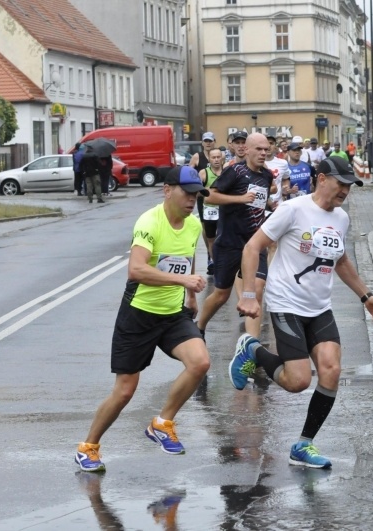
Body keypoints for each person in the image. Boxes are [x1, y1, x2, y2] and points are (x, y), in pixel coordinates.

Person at [232, 156, 373, 468]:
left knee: (331, 371)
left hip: (319, 305)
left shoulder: (341, 218)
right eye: (340, 183)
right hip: (286, 302)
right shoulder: (293, 210)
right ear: (321, 178)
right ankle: (251, 349)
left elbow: (340, 260)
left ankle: (304, 445)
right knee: (297, 381)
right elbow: (252, 247)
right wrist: (250, 295)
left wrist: (366, 296)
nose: (345, 190)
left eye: (350, 185)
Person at [74, 165, 211, 472]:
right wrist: (184, 283)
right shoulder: (149, 222)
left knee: (200, 362)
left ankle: (162, 423)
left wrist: (190, 296)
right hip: (139, 314)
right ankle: (88, 447)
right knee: (124, 390)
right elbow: (136, 270)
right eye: (187, 193)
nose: (192, 200)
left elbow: (185, 259)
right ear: (167, 190)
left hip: (173, 313)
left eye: (197, 195)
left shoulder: (192, 224)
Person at [195, 132, 275, 340]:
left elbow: (259, 201)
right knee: (222, 294)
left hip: (254, 244)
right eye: (259, 149)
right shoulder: (235, 172)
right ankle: (200, 327)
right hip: (229, 243)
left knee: (257, 289)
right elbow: (209, 196)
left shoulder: (266, 176)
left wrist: (271, 206)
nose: (263, 153)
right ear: (246, 150)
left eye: (266, 149)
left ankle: (251, 345)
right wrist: (239, 199)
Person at [192, 131, 217, 275]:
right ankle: (210, 256)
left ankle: (216, 256)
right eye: (205, 141)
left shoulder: (218, 156)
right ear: (202, 143)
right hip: (203, 199)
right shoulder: (197, 157)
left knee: (219, 228)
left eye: (210, 141)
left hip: (217, 199)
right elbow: (190, 173)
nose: (208, 143)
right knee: (205, 228)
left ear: (214, 142)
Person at [199, 148, 224, 277]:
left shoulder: (226, 172)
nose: (216, 160)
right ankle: (214, 261)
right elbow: (196, 191)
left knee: (224, 238)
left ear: (222, 158)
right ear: (209, 159)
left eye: (218, 157)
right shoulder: (204, 173)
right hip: (209, 210)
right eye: (213, 157)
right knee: (211, 239)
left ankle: (223, 262)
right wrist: (208, 191)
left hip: (224, 209)